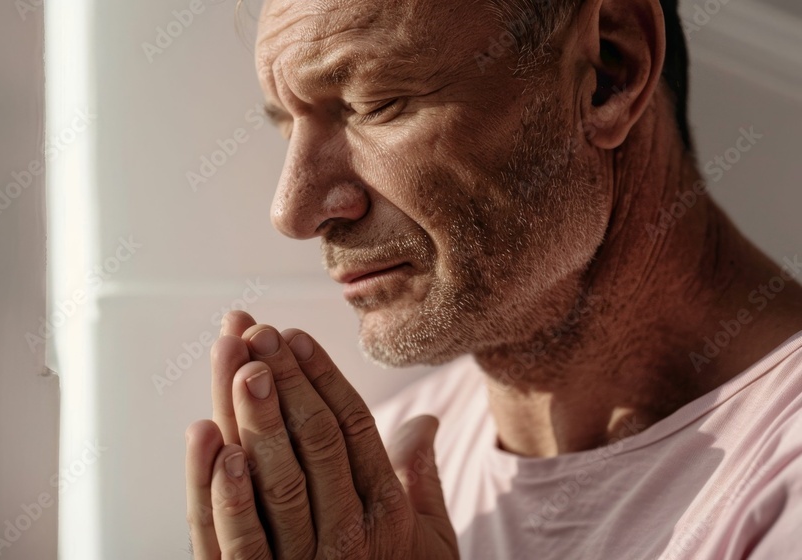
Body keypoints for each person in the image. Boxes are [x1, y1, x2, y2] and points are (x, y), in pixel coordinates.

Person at [185, 0, 802, 557]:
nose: (293, 211)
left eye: (376, 104)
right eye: (288, 126)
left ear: (611, 72)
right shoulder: (369, 478)